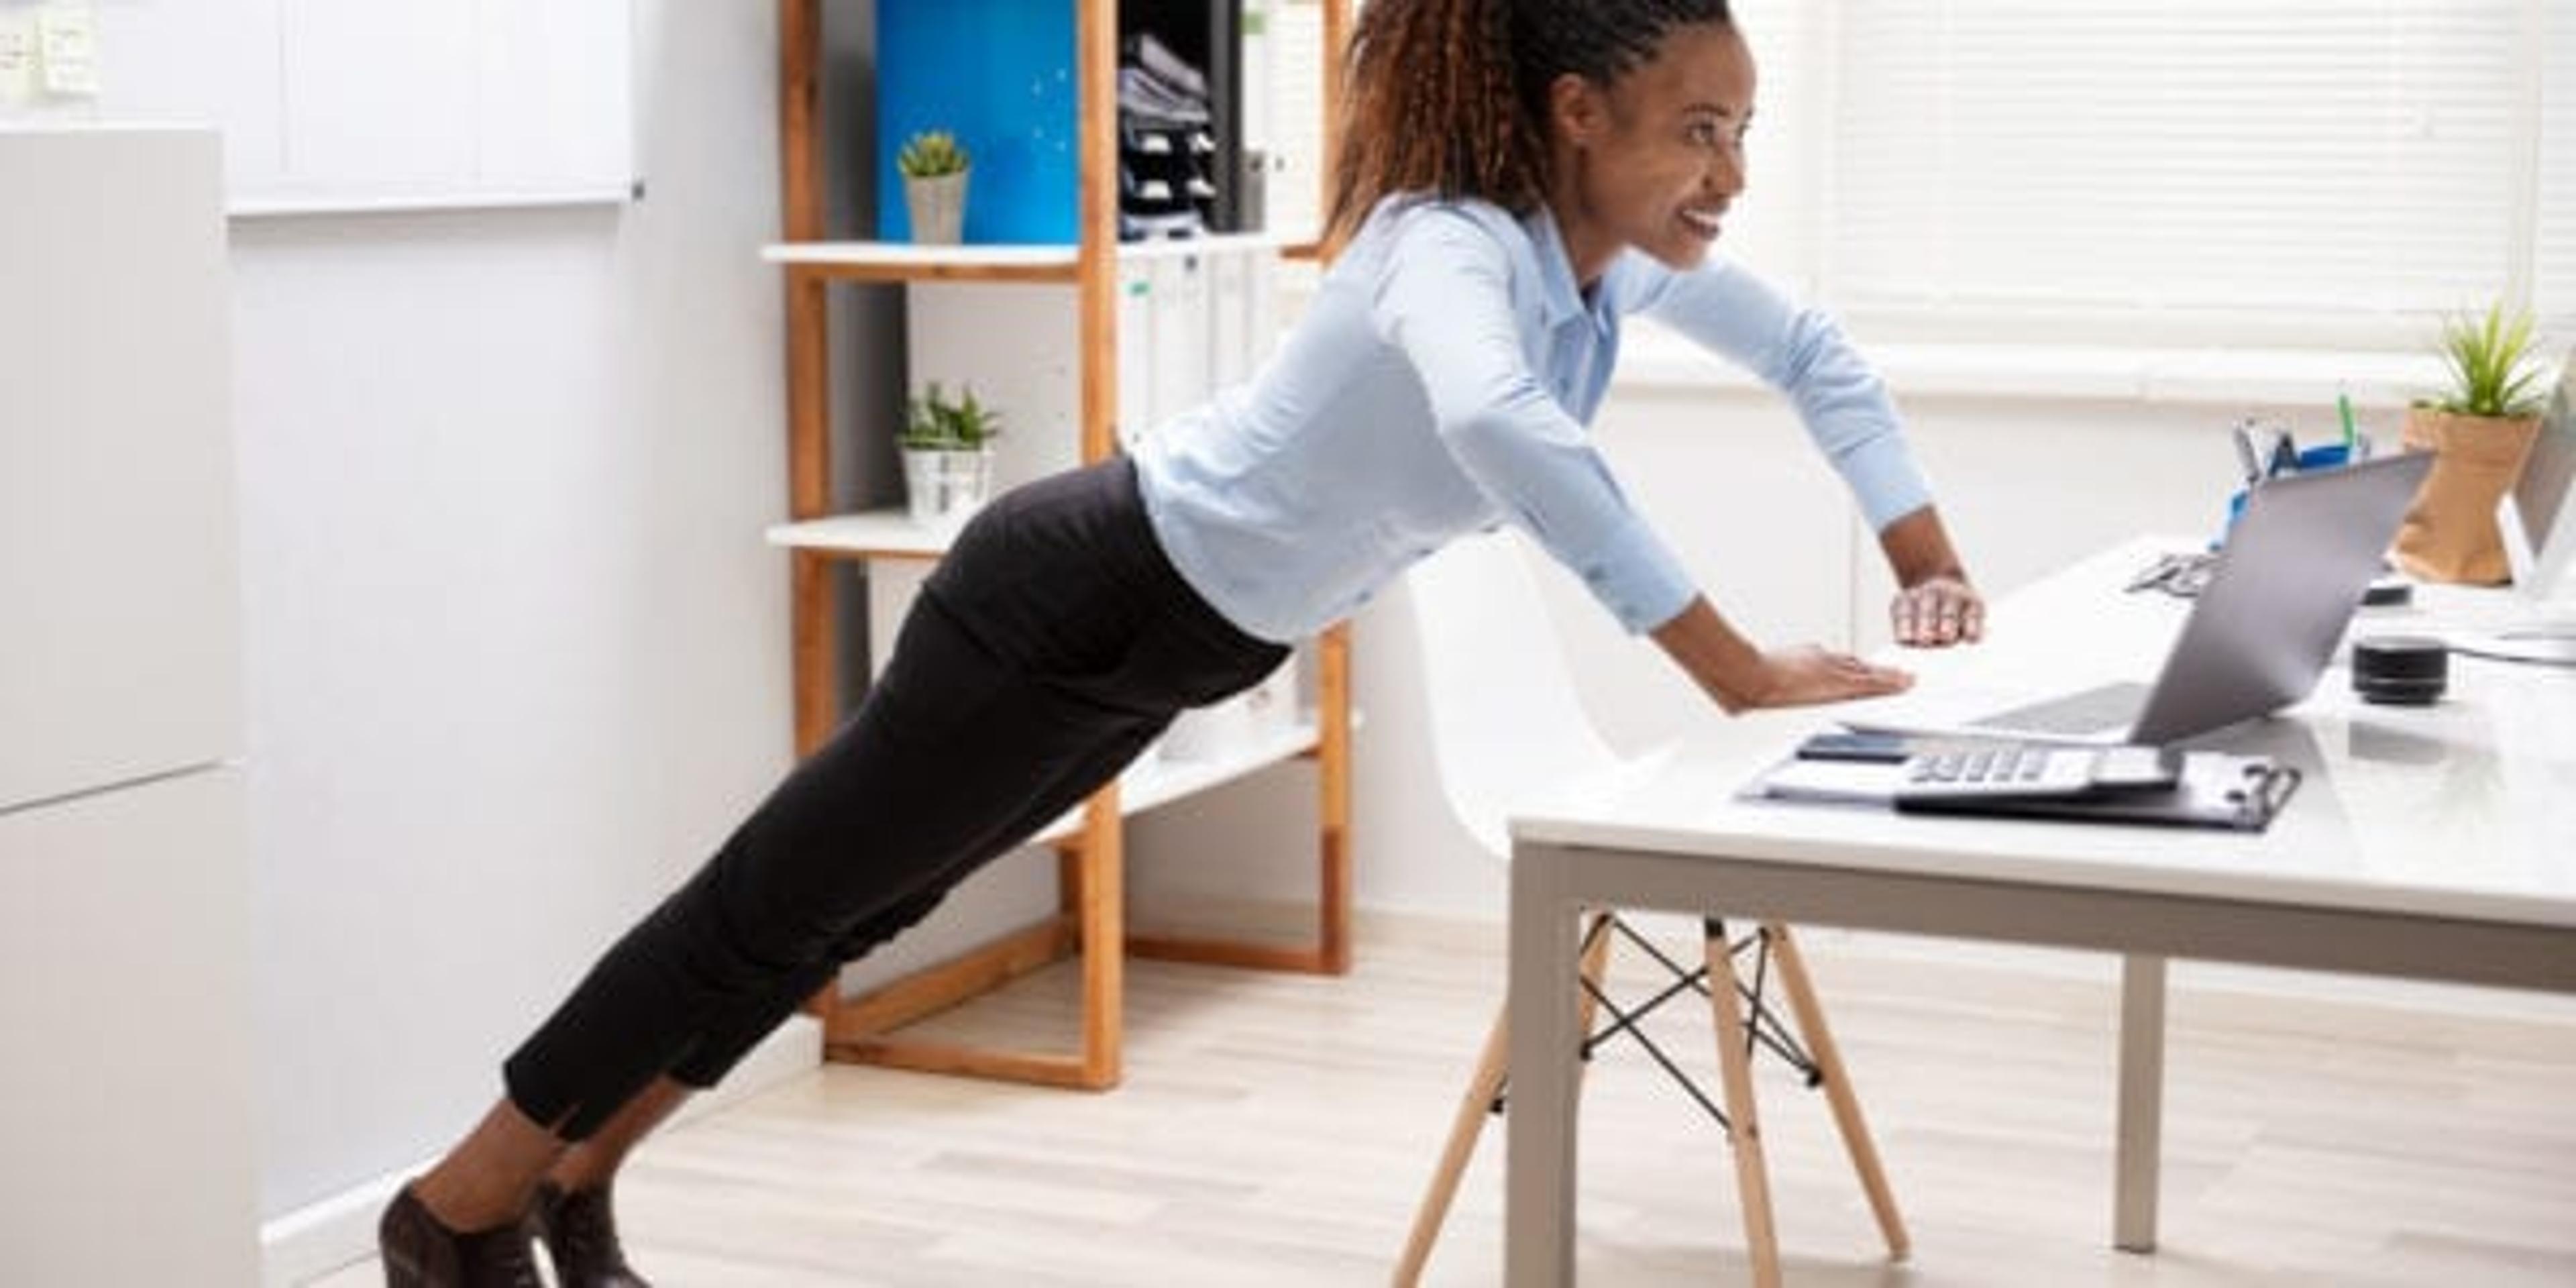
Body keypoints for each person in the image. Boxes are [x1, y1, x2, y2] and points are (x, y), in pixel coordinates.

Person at [375, 0, 1985, 1283]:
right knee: (770, 901)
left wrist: (1922, 557)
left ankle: (577, 1181)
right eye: (1702, 132)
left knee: (855, 908)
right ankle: (452, 1211)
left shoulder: (1605, 274)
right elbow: (1499, 425)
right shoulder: (1446, 245)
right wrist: (1729, 664)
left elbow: (1814, 350)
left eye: (1744, 132)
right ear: (1580, 114)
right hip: (1073, 594)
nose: (1731, 172)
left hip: (1178, 644)